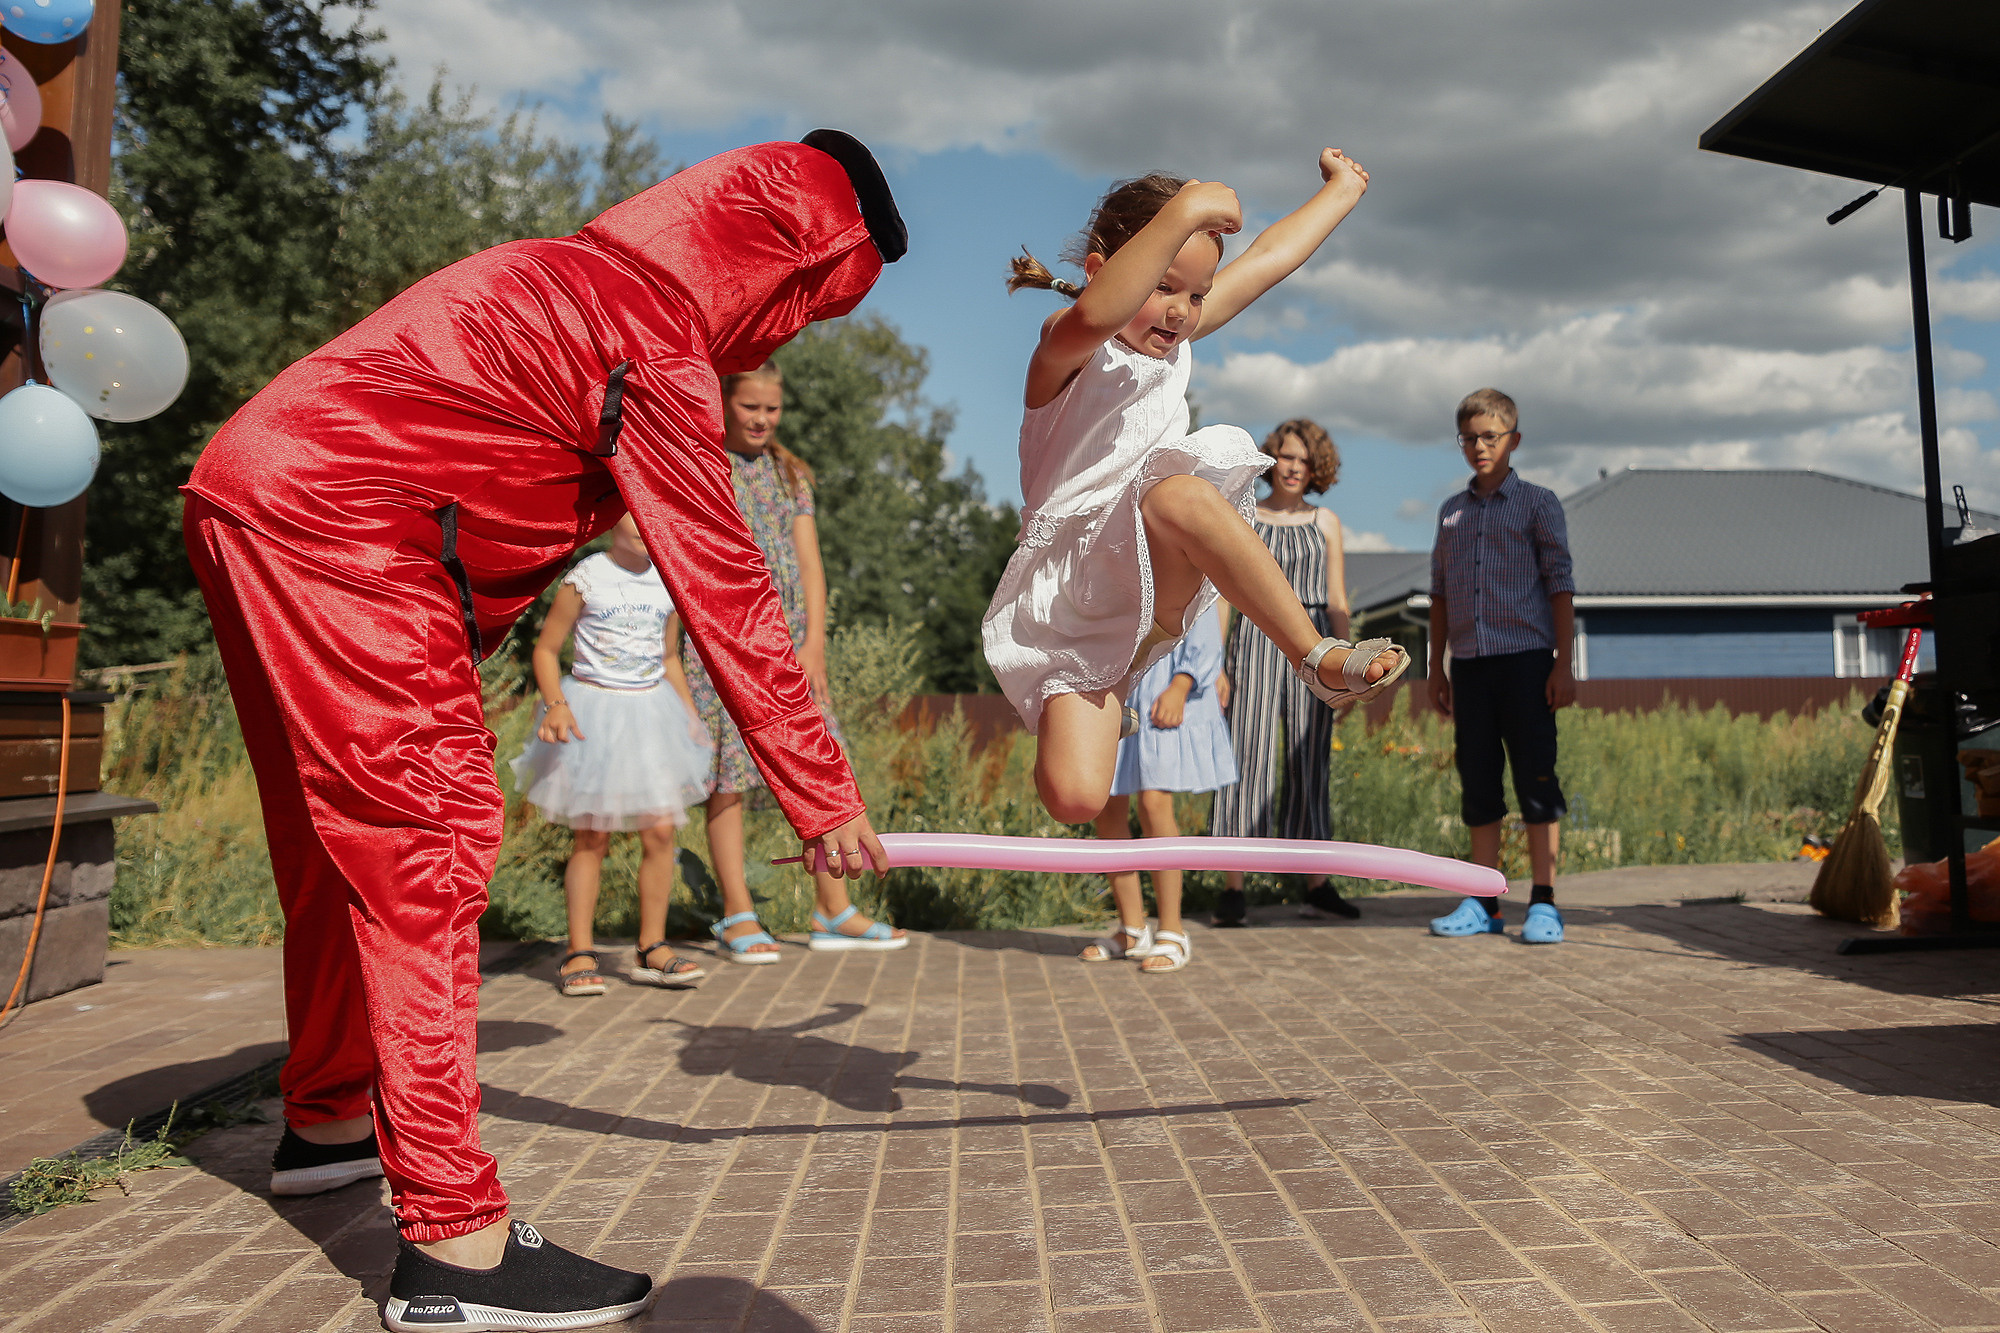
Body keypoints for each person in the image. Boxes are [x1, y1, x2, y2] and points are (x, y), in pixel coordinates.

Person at [182, 133, 901, 1331]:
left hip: (255, 487)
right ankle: (455, 1248)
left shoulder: (558, 273)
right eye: (799, 313)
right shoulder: (649, 337)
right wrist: (821, 790)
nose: (780, 343)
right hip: (353, 527)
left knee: (332, 843)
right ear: (777, 266)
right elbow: (722, 582)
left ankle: (325, 1117)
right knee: (431, 840)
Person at [984, 151, 1410, 829]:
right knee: (1076, 797)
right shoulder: (1067, 348)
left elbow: (1268, 257)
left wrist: (1342, 192)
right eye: (1166, 287)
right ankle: (1111, 694)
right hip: (1074, 600)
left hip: (1156, 566)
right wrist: (1185, 210)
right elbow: (1098, 314)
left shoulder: (1171, 339)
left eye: (1198, 295)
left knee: (1177, 491)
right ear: (1106, 270)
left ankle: (1316, 657)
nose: (1183, 312)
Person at [682, 361, 907, 962]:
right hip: (720, 642)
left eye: (771, 408)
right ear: (724, 402)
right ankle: (737, 912)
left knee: (819, 761)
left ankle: (833, 910)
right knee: (728, 779)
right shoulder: (699, 464)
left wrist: (812, 645)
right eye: (750, 406)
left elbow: (810, 567)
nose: (761, 418)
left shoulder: (789, 473)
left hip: (785, 643)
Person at [511, 514, 715, 996]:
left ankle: (652, 946)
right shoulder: (586, 578)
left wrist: (689, 716)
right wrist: (555, 705)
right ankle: (578, 950)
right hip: (594, 713)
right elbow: (546, 650)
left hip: (650, 713)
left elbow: (668, 659)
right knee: (592, 834)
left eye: (652, 509)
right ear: (606, 520)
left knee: (661, 829)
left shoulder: (667, 579)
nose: (645, 520)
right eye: (632, 511)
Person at [1425, 388, 1576, 945]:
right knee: (1479, 783)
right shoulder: (1451, 513)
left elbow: (1560, 585)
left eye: (1491, 437)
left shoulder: (1539, 503)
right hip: (1469, 666)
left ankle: (1543, 901)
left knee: (1537, 779)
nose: (1480, 447)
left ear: (1513, 439)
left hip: (1528, 663)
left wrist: (1564, 665)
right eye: (1470, 438)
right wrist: (1436, 669)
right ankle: (1483, 899)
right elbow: (1439, 596)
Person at [1209, 420, 1362, 926]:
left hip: (1316, 646)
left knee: (1309, 757)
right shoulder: (1245, 516)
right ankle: (1233, 885)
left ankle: (1315, 882)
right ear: (1271, 460)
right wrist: (1217, 663)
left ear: (1316, 466)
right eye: (1286, 457)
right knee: (1245, 754)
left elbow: (1337, 599)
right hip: (1254, 640)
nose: (1294, 467)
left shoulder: (1326, 522)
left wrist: (1347, 665)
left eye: (1304, 459)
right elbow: (1227, 594)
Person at [1079, 606, 1236, 972]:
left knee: (1154, 802)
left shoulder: (1178, 549)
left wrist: (1182, 684)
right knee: (1106, 803)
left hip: (1165, 684)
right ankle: (1131, 927)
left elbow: (1204, 612)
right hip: (1115, 683)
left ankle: (1172, 929)